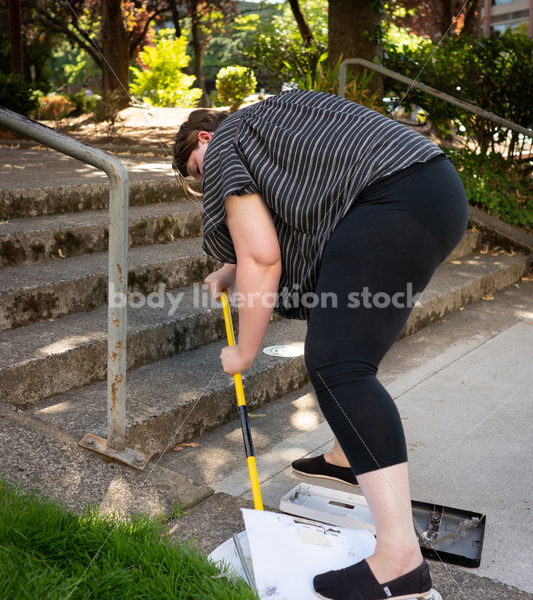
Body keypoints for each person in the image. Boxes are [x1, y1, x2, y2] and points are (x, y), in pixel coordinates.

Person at [172, 90, 468, 600]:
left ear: (203, 139)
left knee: (338, 364)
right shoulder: (273, 122)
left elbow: (263, 258)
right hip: (433, 191)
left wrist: (243, 353)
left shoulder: (225, 144)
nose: (208, 186)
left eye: (198, 173)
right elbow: (287, 216)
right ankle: (343, 457)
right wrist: (228, 266)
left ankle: (399, 560)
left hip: (391, 201)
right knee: (350, 352)